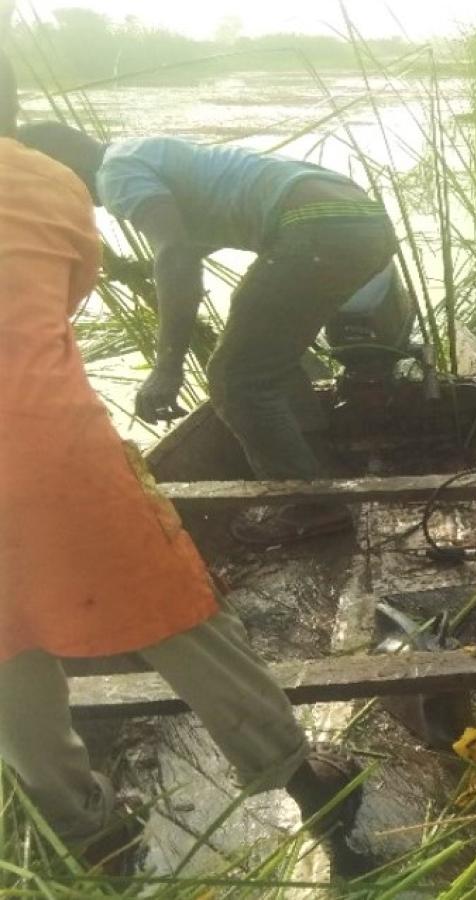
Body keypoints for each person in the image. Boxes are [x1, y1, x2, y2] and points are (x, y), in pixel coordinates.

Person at [0, 50, 362, 870]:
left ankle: (81, 830)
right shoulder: (53, 181)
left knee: (8, 647)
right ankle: (302, 777)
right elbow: (61, 298)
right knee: (179, 612)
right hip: (48, 445)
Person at [16, 120, 415, 545]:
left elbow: (176, 253)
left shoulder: (114, 172)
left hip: (314, 226)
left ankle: (313, 507)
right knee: (267, 354)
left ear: (60, 165)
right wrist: (162, 264)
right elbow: (192, 238)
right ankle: (315, 459)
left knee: (236, 379)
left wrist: (168, 367)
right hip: (365, 221)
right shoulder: (141, 150)